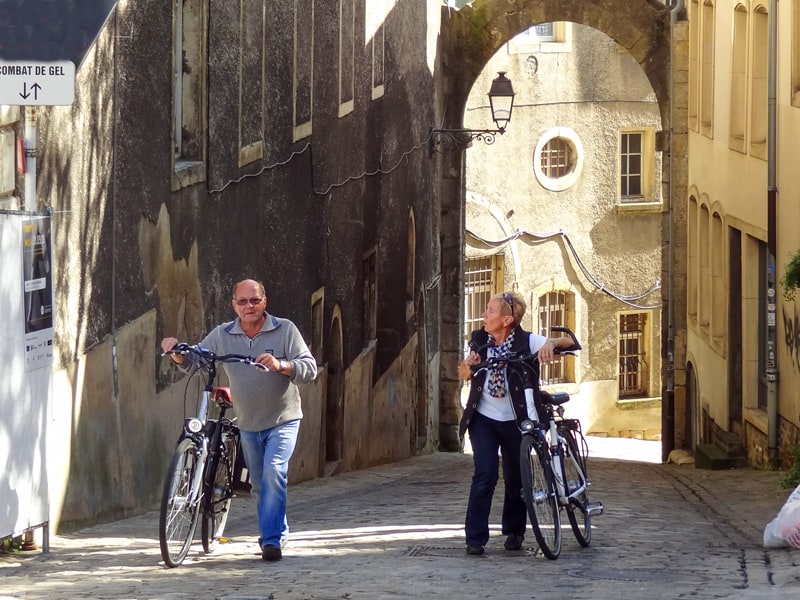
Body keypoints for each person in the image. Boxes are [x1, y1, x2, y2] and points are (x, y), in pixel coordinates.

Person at [161, 278, 317, 562]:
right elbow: (198, 359)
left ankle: (270, 541)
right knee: (259, 484)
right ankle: (278, 530)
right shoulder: (223, 334)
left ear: (264, 302)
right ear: (234, 304)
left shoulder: (285, 330)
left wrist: (281, 365)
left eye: (255, 300)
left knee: (274, 472)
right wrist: (177, 353)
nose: (249, 306)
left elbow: (309, 368)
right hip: (247, 422)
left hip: (283, 419)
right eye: (242, 301)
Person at [457, 290, 574, 556]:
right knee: (484, 474)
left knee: (517, 477)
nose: (484, 315)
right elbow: (463, 373)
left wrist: (550, 344)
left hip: (516, 421)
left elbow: (568, 342)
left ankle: (514, 531)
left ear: (508, 319)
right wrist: (469, 364)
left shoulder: (526, 341)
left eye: (491, 311)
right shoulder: (479, 339)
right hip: (483, 418)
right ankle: (475, 538)